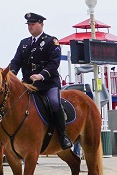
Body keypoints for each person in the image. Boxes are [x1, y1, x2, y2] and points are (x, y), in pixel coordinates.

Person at [7, 12, 72, 150]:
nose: (30, 27)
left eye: (33, 24)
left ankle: (62, 136)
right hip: (28, 84)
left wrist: (41, 75)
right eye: (28, 25)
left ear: (41, 24)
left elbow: (54, 63)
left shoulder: (51, 41)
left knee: (54, 103)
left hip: (47, 84)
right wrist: (10, 75)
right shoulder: (24, 43)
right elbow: (16, 61)